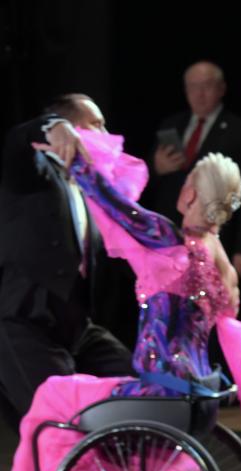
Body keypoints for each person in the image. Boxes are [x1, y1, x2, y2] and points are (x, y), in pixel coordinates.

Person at [0, 129, 241, 471]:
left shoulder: (168, 241)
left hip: (158, 398)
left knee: (52, 398)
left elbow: (115, 206)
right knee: (87, 397)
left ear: (187, 195)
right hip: (196, 400)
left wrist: (79, 163)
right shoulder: (222, 266)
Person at [0, 95, 132, 431]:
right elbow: (17, 139)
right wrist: (53, 126)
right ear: (71, 129)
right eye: (96, 124)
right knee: (62, 424)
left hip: (76, 326)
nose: (105, 132)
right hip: (25, 321)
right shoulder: (33, 174)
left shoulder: (87, 185)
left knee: (138, 385)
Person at [146, 61, 241, 277]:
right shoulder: (171, 125)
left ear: (221, 89)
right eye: (192, 86)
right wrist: (155, 167)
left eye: (206, 86)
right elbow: (145, 183)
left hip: (215, 235)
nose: (199, 94)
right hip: (170, 235)